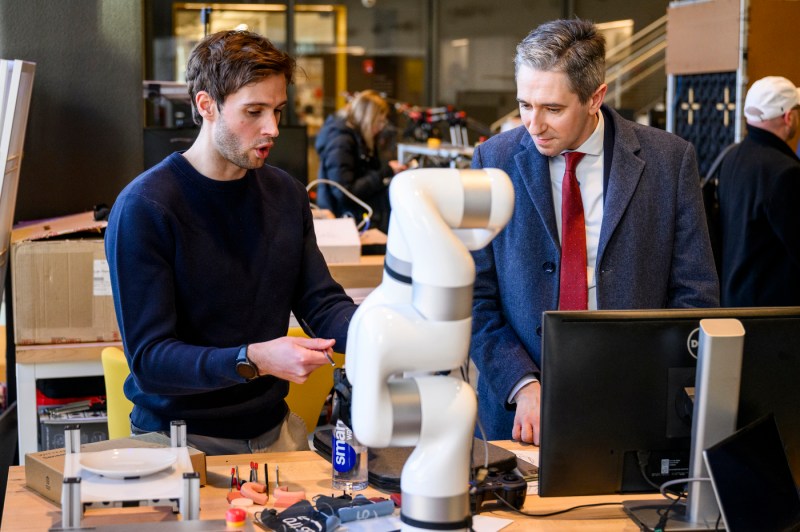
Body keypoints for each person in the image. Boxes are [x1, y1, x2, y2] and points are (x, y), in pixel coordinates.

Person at [105, 30, 357, 455]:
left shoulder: (287, 195)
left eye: (277, 110)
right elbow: (151, 361)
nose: (272, 128)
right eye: (254, 111)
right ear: (207, 105)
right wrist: (254, 358)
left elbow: (321, 304)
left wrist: (382, 333)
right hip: (177, 443)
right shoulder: (146, 208)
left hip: (273, 434)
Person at [469, 18, 719, 444]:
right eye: (525, 105)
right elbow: (474, 295)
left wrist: (653, 383)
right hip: (519, 414)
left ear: (595, 98)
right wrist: (521, 384)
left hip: (634, 407)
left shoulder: (668, 161)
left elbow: (694, 296)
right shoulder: (493, 160)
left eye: (552, 108)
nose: (533, 124)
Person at [717, 76, 800, 306]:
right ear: (788, 117)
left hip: (734, 305)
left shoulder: (731, 157)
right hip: (773, 317)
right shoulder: (786, 172)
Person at [314, 90, 406, 233]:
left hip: (355, 218)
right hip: (343, 223)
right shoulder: (341, 142)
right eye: (379, 121)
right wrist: (385, 172)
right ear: (368, 118)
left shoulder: (358, 139)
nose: (381, 126)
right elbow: (345, 193)